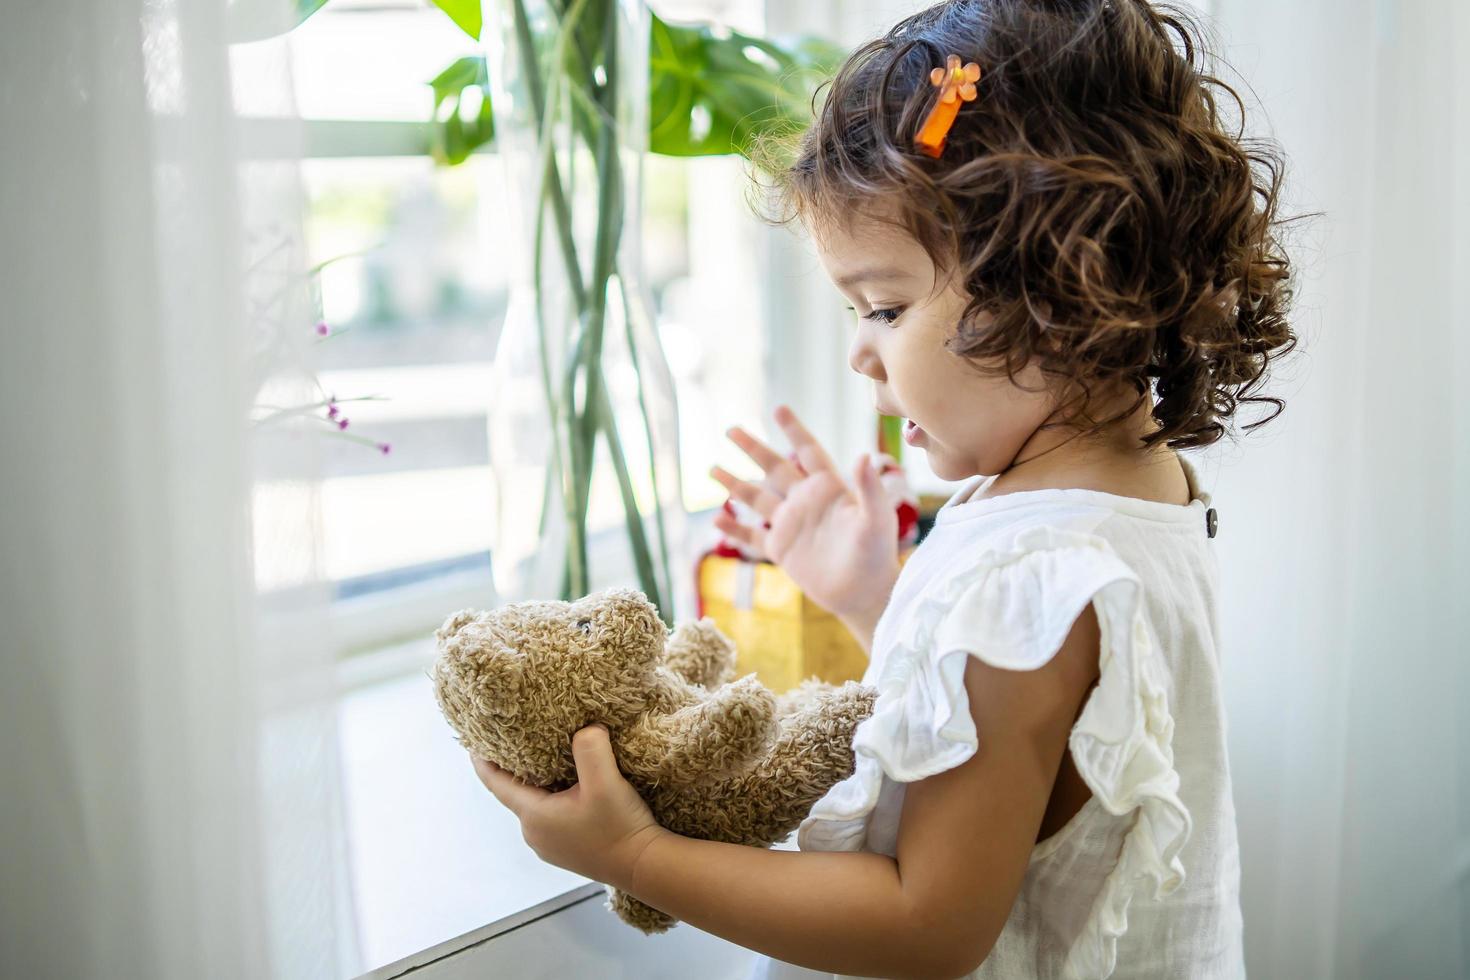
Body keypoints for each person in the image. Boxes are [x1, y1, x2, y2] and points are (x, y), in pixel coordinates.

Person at [470, 1, 1297, 976]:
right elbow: (1009, 752)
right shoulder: (1143, 492)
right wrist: (877, 595)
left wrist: (636, 855)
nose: (862, 355)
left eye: (885, 305)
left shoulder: (1029, 569)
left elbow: (925, 923)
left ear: (1061, 281)